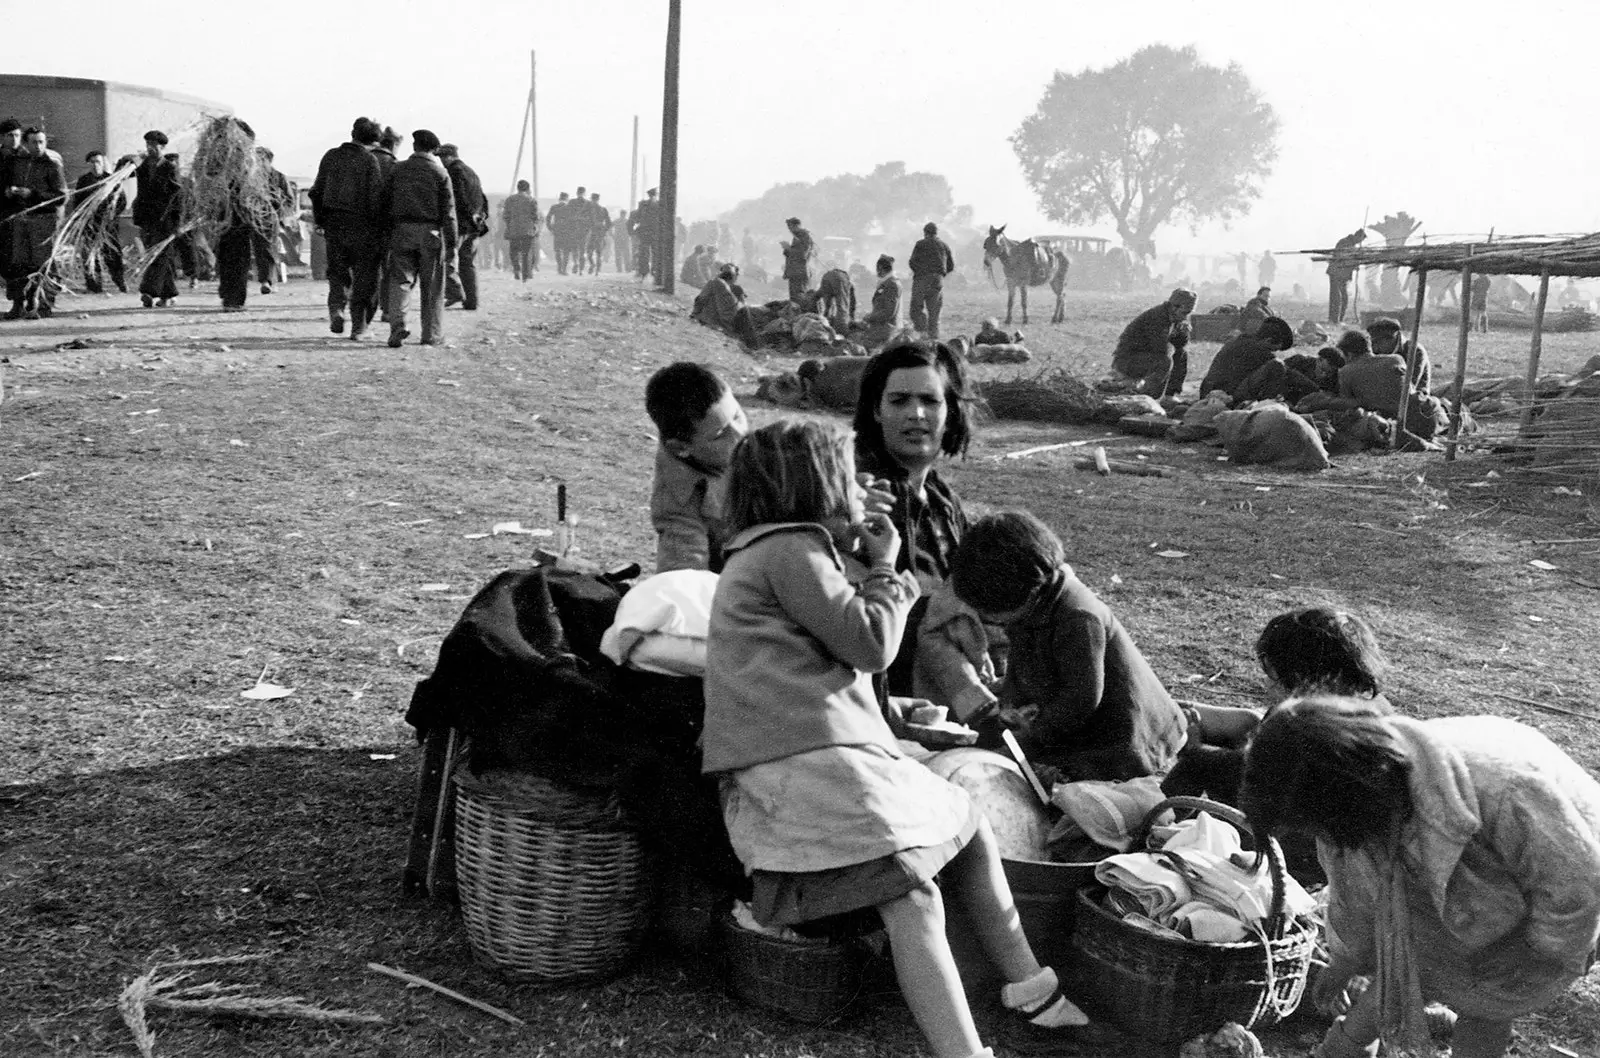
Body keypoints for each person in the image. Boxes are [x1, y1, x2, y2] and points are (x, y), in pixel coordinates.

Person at [703, 419, 1109, 1058]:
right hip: (797, 761)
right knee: (910, 892)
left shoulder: (775, 552)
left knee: (966, 820)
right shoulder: (789, 550)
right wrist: (889, 570)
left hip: (810, 751)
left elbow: (811, 663)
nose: (862, 488)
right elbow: (868, 641)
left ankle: (1029, 984)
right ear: (817, 485)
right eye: (849, 475)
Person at [1241, 696, 1600, 1058]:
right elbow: (1358, 889)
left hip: (1554, 878)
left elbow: (1576, 886)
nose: (1324, 838)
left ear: (1348, 798)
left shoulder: (1505, 790)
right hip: (1477, 883)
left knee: (1488, 996)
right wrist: (1347, 959)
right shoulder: (1362, 800)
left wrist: (1533, 950)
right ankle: (1340, 1050)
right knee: (1403, 951)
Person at [949, 510, 1187, 782]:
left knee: (1083, 792)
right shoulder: (1033, 604)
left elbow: (1081, 699)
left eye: (989, 611)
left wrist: (1029, 741)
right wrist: (1009, 703)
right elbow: (1021, 657)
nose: (987, 617)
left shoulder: (1078, 618)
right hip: (1079, 720)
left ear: (1026, 593)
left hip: (1125, 733)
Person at [645, 362, 748, 573]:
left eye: (737, 416)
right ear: (682, 448)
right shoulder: (678, 503)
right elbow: (685, 579)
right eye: (720, 435)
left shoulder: (771, 445)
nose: (739, 434)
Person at [379, 129, 457, 348]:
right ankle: (431, 334)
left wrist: (387, 232)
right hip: (431, 232)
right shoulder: (440, 173)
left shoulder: (397, 169)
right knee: (432, 286)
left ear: (414, 147)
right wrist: (452, 242)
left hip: (401, 230)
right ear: (434, 149)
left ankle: (398, 326)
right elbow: (449, 211)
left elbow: (384, 202)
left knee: (400, 281)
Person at [309, 116, 385, 337]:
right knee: (365, 277)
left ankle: (337, 309)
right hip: (363, 227)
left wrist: (321, 220)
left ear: (352, 134)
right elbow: (374, 198)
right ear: (373, 142)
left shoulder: (331, 156)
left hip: (334, 225)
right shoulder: (370, 160)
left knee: (338, 272)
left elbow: (316, 192)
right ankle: (359, 327)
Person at [1, 127, 67, 318]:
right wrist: (10, 192)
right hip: (20, 220)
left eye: (41, 142)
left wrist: (34, 195)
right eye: (34, 142)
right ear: (26, 144)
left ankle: (43, 304)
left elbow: (61, 197)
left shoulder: (52, 165)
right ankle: (18, 304)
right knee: (18, 264)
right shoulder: (16, 163)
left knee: (42, 265)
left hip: (43, 221)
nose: (38, 146)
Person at [1110, 288, 1197, 397]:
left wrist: (1182, 334)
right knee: (1164, 362)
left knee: (1182, 354)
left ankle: (1170, 395)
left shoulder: (1173, 317)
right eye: (1184, 313)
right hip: (1127, 359)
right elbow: (1160, 348)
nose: (1185, 317)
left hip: (1145, 356)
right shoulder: (1157, 317)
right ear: (1174, 307)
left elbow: (1179, 345)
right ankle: (1150, 396)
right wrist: (1175, 333)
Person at [131, 131, 181, 308]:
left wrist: (177, 222)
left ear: (162, 147)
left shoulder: (169, 168)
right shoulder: (142, 167)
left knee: (159, 255)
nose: (150, 148)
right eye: (147, 144)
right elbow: (124, 174)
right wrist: (127, 162)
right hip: (147, 219)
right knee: (158, 253)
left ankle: (148, 291)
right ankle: (168, 294)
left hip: (165, 219)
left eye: (154, 145)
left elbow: (177, 196)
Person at [1198, 317, 1298, 404]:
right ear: (1268, 340)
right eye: (1273, 349)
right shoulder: (1257, 350)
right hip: (1223, 396)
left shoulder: (1240, 341)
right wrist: (1312, 388)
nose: (1272, 353)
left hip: (1212, 391)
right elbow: (1288, 374)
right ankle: (1265, 406)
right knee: (1277, 366)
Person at [437, 144, 487, 311]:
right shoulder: (471, 172)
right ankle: (471, 301)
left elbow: (458, 198)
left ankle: (455, 293)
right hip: (474, 226)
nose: (441, 161)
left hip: (460, 224)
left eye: (442, 157)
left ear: (449, 156)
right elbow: (482, 197)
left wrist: (466, 216)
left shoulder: (454, 171)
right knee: (468, 264)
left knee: (446, 259)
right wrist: (479, 217)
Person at [72, 150, 127, 295]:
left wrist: (112, 214)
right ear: (88, 164)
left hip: (108, 225)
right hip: (90, 224)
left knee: (113, 254)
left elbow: (122, 201)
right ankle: (94, 285)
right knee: (90, 255)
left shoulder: (112, 180)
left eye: (98, 162)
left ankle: (119, 280)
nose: (96, 165)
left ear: (103, 163)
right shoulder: (84, 181)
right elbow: (78, 202)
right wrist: (80, 220)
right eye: (93, 162)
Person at [689, 262, 760, 348]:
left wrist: (694, 314)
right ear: (734, 276)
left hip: (726, 323)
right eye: (737, 275)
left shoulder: (716, 283)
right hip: (732, 324)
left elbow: (700, 300)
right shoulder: (729, 287)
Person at [252, 147, 294, 294]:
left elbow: (289, 201)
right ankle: (268, 280)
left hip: (272, 218)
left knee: (268, 248)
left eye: (261, 159)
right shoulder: (252, 178)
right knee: (260, 249)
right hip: (255, 218)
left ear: (268, 160)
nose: (257, 163)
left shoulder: (279, 177)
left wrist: (277, 206)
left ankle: (267, 281)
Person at [908, 222, 955, 339]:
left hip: (922, 279)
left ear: (925, 233)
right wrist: (940, 275)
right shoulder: (944, 245)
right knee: (934, 312)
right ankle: (934, 337)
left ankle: (922, 332)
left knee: (916, 309)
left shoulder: (920, 244)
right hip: (938, 280)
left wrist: (919, 272)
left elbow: (912, 262)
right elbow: (951, 266)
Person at [856, 254, 903, 348]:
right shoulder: (887, 283)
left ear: (880, 268)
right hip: (882, 327)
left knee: (859, 344)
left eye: (877, 268)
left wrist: (870, 317)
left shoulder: (891, 284)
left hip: (887, 330)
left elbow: (889, 312)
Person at [501, 180, 539, 281]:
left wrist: (509, 225)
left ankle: (516, 269)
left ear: (517, 188)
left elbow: (505, 216)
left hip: (514, 230)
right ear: (527, 188)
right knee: (526, 253)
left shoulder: (510, 199)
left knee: (513, 252)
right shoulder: (531, 200)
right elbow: (535, 216)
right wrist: (535, 226)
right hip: (527, 230)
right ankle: (525, 276)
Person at [1327, 228, 1366, 324]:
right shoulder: (1344, 242)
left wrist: (1356, 262)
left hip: (1343, 275)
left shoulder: (1352, 246)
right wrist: (1355, 260)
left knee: (1344, 297)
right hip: (1336, 272)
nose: (1359, 242)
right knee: (1336, 297)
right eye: (1360, 240)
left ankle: (1339, 319)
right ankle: (1334, 319)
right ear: (1357, 236)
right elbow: (1344, 257)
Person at [780, 215, 815, 302]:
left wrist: (788, 248)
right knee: (794, 298)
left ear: (797, 226)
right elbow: (794, 254)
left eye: (790, 227)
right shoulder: (798, 237)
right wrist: (786, 249)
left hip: (800, 272)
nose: (789, 230)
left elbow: (802, 254)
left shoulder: (804, 236)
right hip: (795, 272)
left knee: (799, 297)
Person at [632, 187, 659, 282]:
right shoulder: (659, 204)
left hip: (645, 232)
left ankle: (645, 271)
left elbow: (638, 217)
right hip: (654, 232)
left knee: (644, 252)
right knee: (655, 252)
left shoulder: (643, 204)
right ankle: (654, 271)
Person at [547, 192, 571, 274]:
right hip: (567, 232)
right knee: (566, 251)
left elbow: (548, 218)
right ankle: (564, 269)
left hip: (557, 231)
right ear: (567, 199)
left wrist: (550, 228)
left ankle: (559, 268)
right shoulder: (570, 207)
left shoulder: (554, 207)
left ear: (559, 199)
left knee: (558, 250)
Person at [586, 192, 610, 275]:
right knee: (596, 252)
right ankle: (596, 267)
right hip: (597, 232)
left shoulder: (589, 209)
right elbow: (608, 223)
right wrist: (604, 231)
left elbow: (608, 222)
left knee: (592, 252)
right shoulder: (602, 209)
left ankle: (594, 267)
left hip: (594, 232)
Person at [612, 207, 629, 273]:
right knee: (626, 255)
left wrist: (612, 235)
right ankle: (627, 268)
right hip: (625, 239)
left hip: (618, 239)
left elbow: (609, 227)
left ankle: (619, 269)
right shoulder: (627, 221)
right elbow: (630, 229)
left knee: (618, 254)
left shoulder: (616, 221)